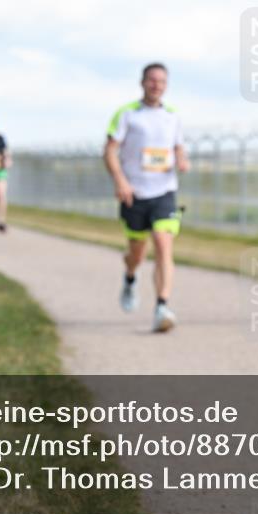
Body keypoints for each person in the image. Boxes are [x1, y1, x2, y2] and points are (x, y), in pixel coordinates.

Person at [104, 62, 189, 333]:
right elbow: (109, 151)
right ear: (142, 82)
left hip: (164, 191)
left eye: (162, 81)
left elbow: (178, 148)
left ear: (166, 85)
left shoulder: (173, 116)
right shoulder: (127, 114)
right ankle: (130, 277)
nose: (156, 85)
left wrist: (182, 160)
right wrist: (120, 181)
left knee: (164, 245)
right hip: (134, 193)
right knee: (136, 254)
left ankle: (162, 306)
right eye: (152, 80)